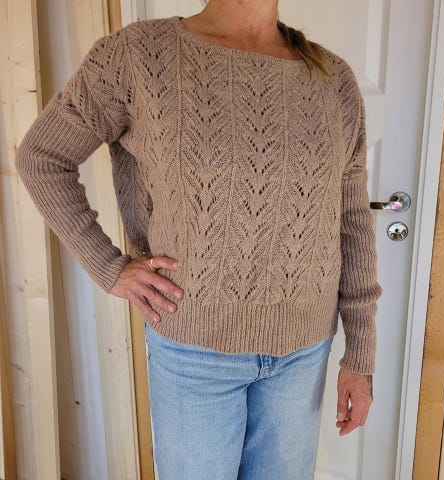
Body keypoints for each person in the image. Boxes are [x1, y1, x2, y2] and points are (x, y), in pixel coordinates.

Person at [15, 0, 382, 478]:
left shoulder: (333, 79)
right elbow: (43, 156)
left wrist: (361, 355)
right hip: (194, 353)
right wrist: (110, 267)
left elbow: (351, 220)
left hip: (304, 354)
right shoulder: (137, 56)